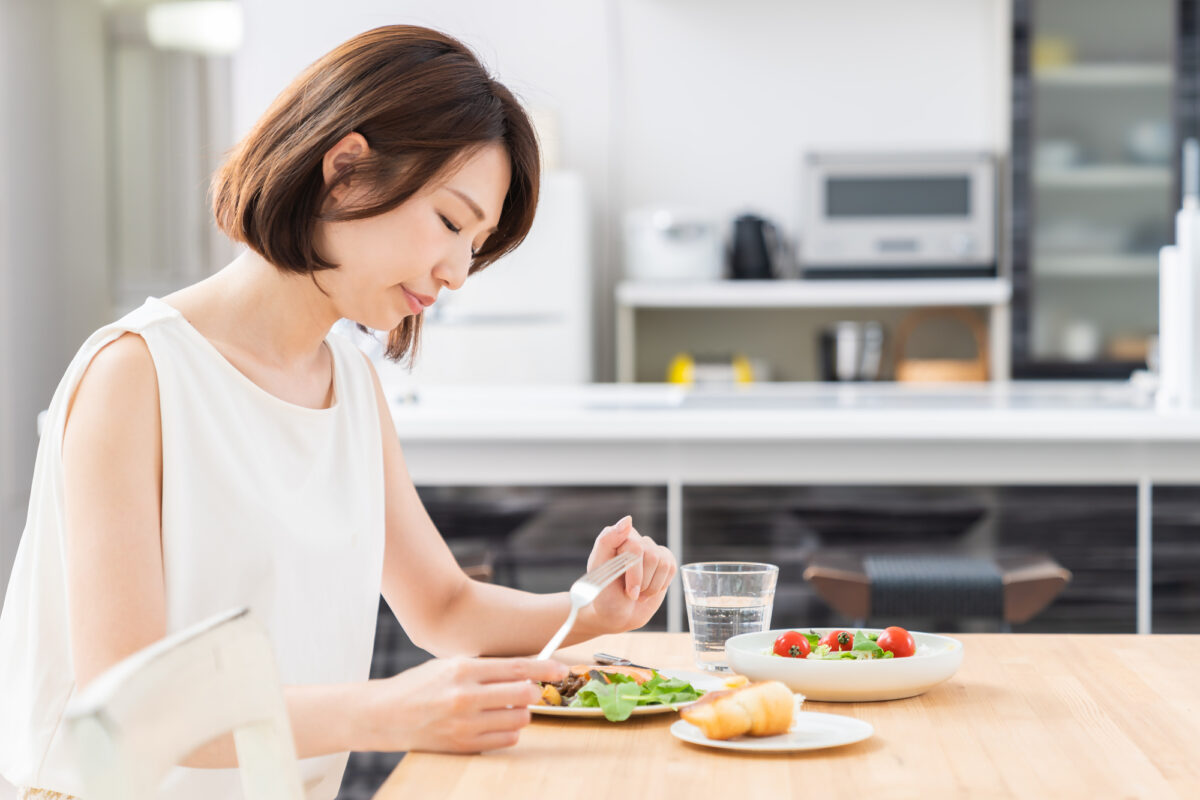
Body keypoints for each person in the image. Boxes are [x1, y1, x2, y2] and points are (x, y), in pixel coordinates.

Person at [0, 25, 676, 800]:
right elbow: (127, 709)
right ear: (345, 171)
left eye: (476, 246)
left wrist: (590, 607)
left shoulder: (349, 383)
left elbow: (446, 609)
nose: (456, 273)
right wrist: (387, 713)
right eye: (453, 224)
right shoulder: (136, 374)